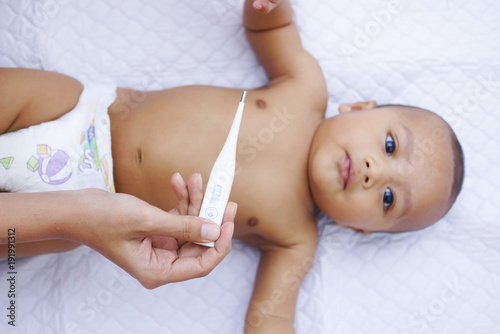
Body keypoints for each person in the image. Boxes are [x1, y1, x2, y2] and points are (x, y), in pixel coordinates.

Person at [0, 0, 464, 333]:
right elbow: (268, 30)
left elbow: (270, 319)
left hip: (89, 210)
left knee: (25, 237)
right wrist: (270, 9)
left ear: (362, 230)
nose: (373, 172)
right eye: (388, 145)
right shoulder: (306, 88)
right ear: (360, 106)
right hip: (86, 111)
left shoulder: (296, 239)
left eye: (387, 199)